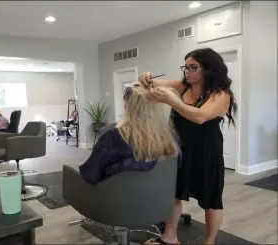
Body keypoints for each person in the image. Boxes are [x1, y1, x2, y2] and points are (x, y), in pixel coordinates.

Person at [141, 48, 237, 245]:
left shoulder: (221, 95)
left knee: (211, 200)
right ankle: (170, 237)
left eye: (193, 67)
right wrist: (146, 78)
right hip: (178, 150)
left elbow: (199, 117)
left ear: (209, 69)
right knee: (173, 194)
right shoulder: (181, 86)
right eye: (186, 67)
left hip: (206, 153)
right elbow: (153, 84)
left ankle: (209, 241)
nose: (187, 71)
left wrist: (172, 101)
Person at [79, 82, 179, 184]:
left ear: (127, 107)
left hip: (115, 196)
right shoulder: (166, 138)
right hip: (155, 194)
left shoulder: (113, 138)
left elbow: (90, 175)